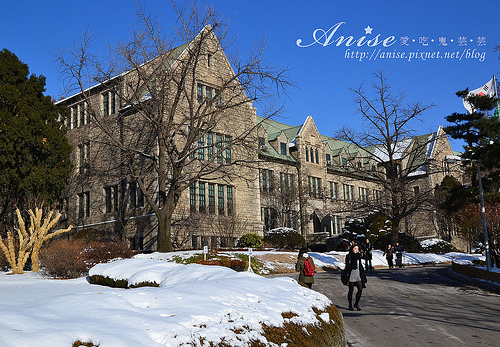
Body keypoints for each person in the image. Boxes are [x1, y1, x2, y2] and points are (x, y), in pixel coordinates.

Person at [344, 244, 367, 311]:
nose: (356, 250)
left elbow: (360, 265)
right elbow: (348, 266)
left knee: (360, 289)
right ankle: (350, 304)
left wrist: (363, 275)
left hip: (358, 274)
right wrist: (347, 274)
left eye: (357, 249)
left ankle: (356, 304)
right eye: (355, 249)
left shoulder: (358, 256)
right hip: (351, 274)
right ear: (352, 249)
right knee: (351, 290)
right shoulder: (349, 256)